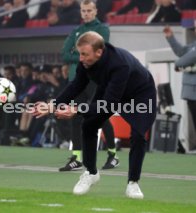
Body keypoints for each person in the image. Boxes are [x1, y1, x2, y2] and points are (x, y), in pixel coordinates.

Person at [32, 31, 157, 198]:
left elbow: (108, 104)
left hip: (140, 94)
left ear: (99, 52)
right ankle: (91, 173)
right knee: (89, 125)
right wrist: (52, 105)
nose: (81, 59)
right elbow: (76, 85)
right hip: (110, 89)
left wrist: (76, 109)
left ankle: (133, 183)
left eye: (84, 54)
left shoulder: (120, 65)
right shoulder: (85, 62)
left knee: (139, 135)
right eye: (79, 54)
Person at [60, 0, 119, 172]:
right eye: (83, 10)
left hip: (95, 80)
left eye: (89, 10)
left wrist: (78, 55)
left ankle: (113, 155)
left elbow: (99, 54)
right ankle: (77, 158)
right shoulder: (76, 30)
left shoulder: (102, 29)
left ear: (95, 11)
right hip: (77, 81)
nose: (86, 13)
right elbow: (65, 54)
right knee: (75, 117)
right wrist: (85, 56)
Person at [163, 26, 196, 147]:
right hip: (191, 91)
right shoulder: (193, 45)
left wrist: (179, 65)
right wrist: (171, 38)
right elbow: (181, 52)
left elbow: (182, 60)